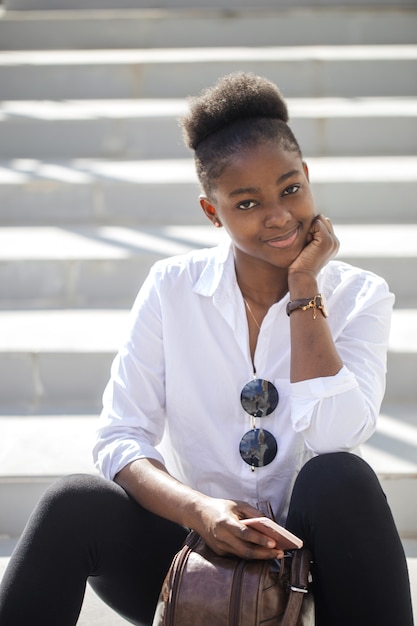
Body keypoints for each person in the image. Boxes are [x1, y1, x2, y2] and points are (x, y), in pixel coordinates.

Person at [0, 72, 414, 626]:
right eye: (247, 202)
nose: (278, 215)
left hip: (319, 571)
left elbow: (336, 434)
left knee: (339, 476)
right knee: (73, 503)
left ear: (309, 178)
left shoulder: (359, 295)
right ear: (212, 212)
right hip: (195, 561)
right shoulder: (172, 287)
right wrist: (201, 512)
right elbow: (120, 434)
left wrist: (305, 292)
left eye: (291, 189)